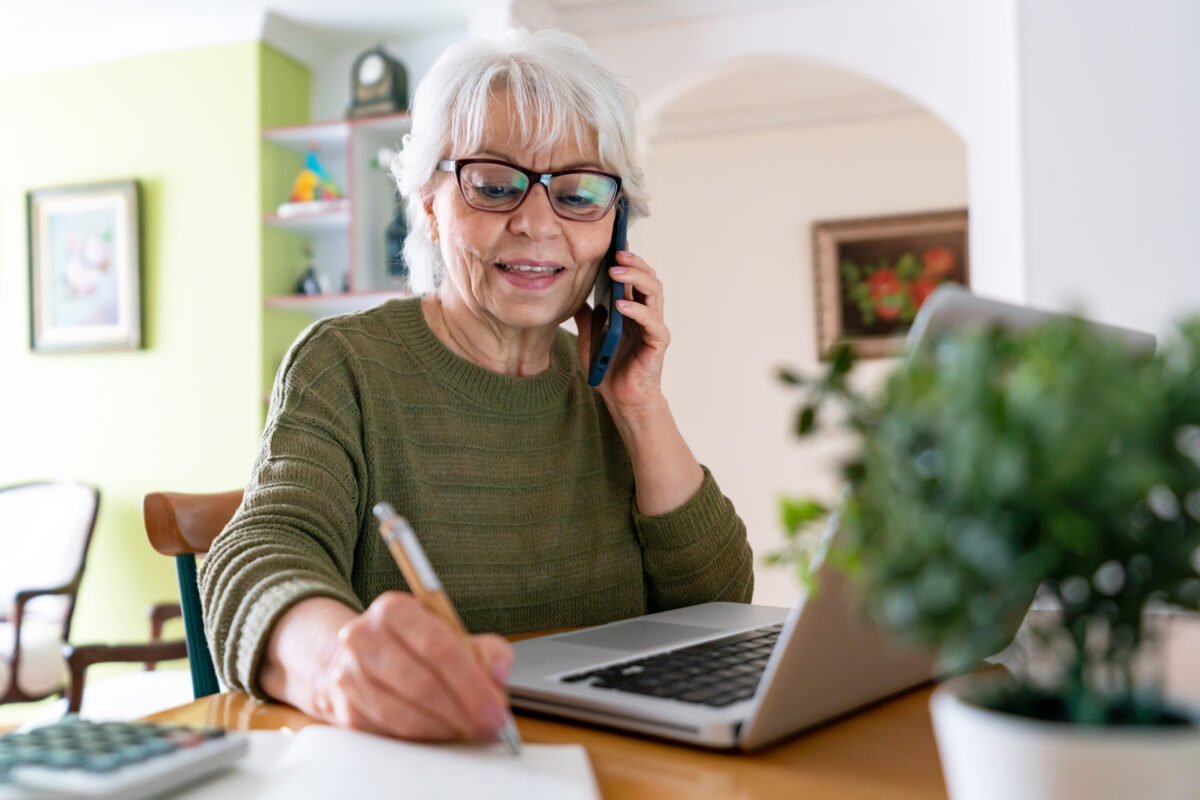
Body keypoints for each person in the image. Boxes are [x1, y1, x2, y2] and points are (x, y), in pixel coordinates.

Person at [199, 28, 753, 743]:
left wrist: (641, 410)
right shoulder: (346, 363)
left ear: (617, 228)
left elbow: (721, 607)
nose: (535, 223)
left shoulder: (608, 385)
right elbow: (258, 555)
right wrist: (338, 666)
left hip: (614, 762)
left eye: (579, 193)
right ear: (428, 204)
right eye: (493, 185)